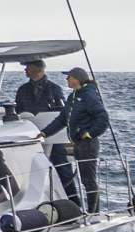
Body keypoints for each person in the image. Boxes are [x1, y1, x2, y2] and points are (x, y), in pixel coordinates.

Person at [37, 66, 111, 212]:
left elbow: (103, 118)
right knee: (84, 179)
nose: (67, 79)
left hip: (88, 144)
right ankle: (89, 210)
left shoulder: (89, 96)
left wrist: (90, 133)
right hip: (78, 144)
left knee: (88, 180)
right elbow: (62, 119)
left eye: (69, 77)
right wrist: (45, 133)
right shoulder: (73, 97)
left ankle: (94, 212)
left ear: (77, 79)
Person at [11, 58, 70, 187]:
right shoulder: (22, 90)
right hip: (30, 135)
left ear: (38, 69)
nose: (25, 70)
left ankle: (73, 200)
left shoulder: (54, 89)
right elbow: (18, 111)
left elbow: (61, 112)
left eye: (28, 67)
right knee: (31, 170)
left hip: (52, 135)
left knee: (62, 169)